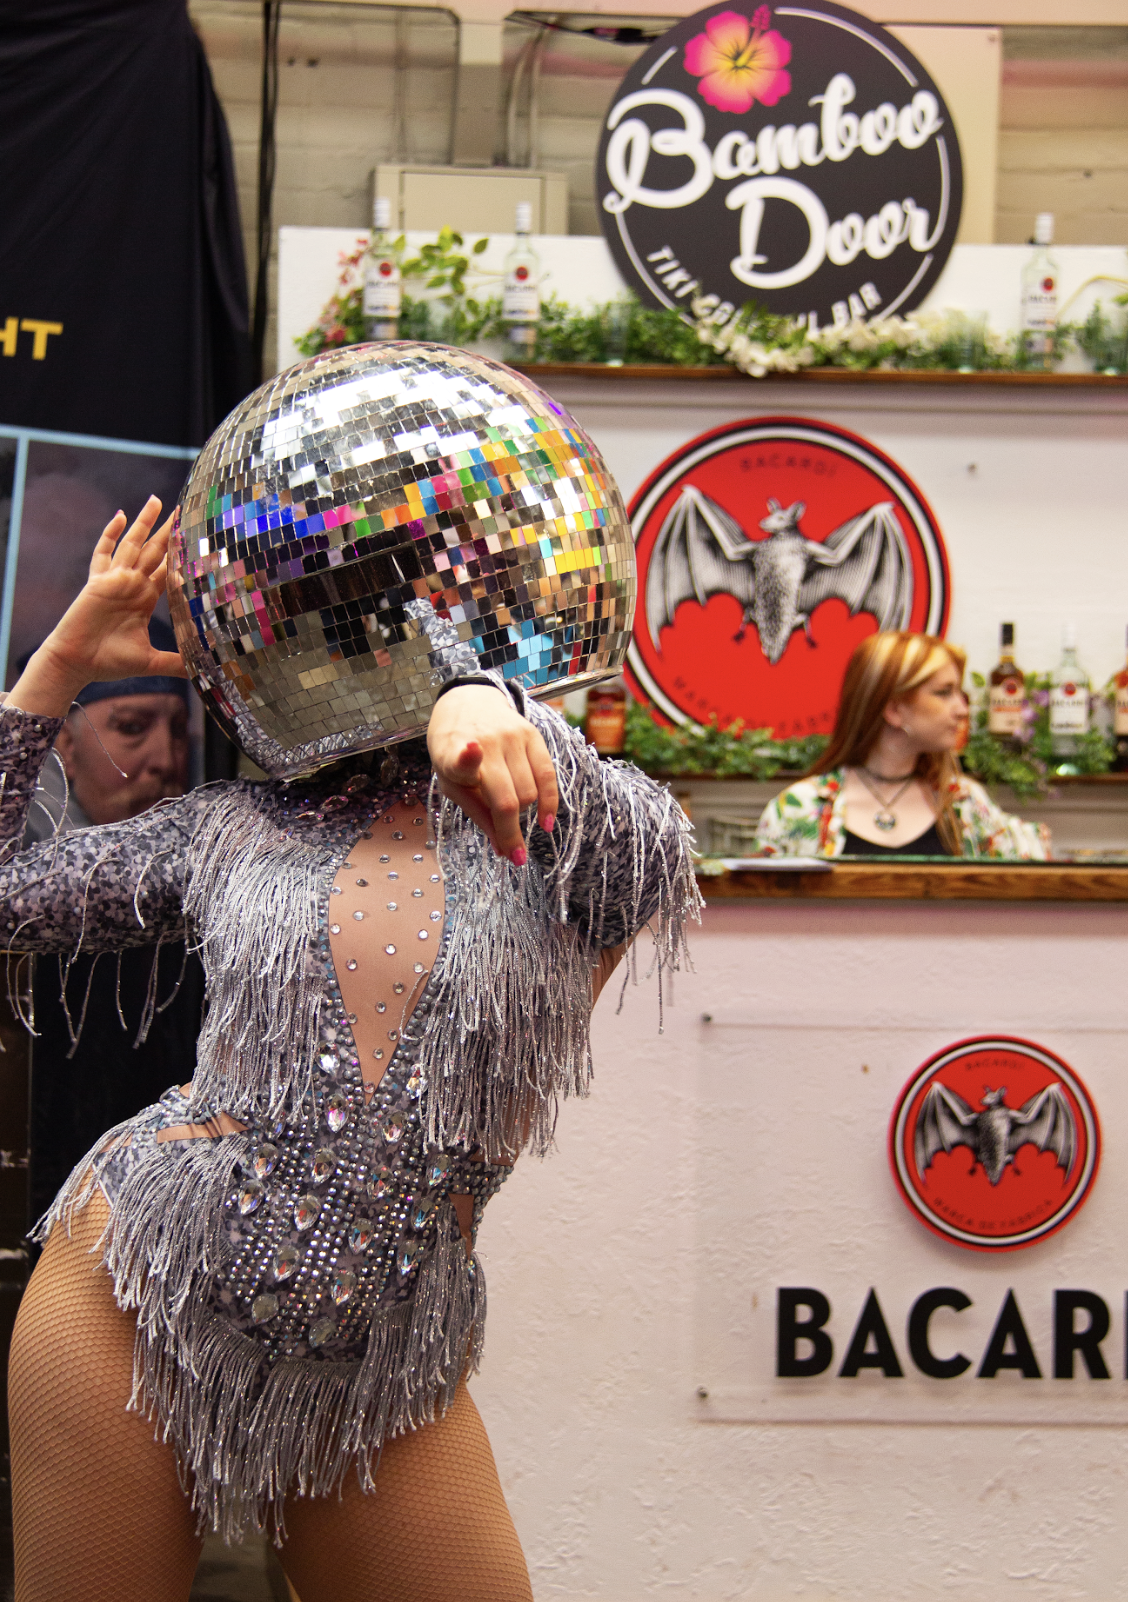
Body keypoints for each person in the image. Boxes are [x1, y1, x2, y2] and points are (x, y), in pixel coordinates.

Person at [0, 498, 697, 1602]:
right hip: (134, 1282)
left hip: (383, 1354)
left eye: (410, 611)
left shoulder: (584, 825)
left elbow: (641, 866)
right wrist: (64, 660)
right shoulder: (232, 824)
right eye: (344, 615)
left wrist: (487, 700)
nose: (379, 642)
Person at [18, 619, 206, 1230]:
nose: (165, 761)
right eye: (130, 728)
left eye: (178, 731)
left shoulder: (212, 876)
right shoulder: (30, 880)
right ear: (65, 748)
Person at [756, 631, 1050, 860]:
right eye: (944, 692)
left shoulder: (965, 804)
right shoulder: (799, 809)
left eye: (959, 693)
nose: (962, 710)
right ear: (894, 710)